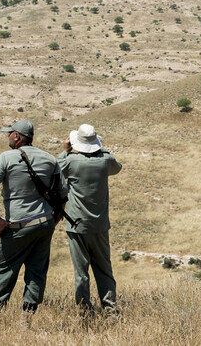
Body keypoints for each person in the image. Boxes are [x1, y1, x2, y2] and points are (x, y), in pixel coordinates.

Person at [0, 119, 67, 314]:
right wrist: (54, 219)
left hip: (18, 225)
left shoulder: (6, 157)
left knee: (4, 271)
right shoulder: (49, 158)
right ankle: (27, 319)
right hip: (44, 223)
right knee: (37, 272)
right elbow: (63, 192)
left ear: (17, 136)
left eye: (10, 133)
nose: (8, 136)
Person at [57, 123, 122, 315]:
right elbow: (117, 167)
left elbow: (55, 169)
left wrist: (65, 151)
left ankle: (84, 310)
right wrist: (101, 149)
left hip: (77, 224)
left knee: (81, 272)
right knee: (104, 269)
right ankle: (110, 309)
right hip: (100, 224)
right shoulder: (106, 161)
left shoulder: (71, 161)